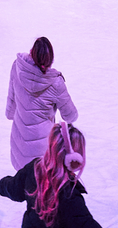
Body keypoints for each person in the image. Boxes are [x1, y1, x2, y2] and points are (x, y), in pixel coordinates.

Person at [0, 123, 103, 228]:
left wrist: (2, 184)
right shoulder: (70, 195)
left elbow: (14, 189)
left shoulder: (34, 168)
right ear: (73, 158)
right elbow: (85, 224)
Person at [5, 37, 80, 170]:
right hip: (43, 151)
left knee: (23, 180)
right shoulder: (56, 83)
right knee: (40, 183)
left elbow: (12, 100)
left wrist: (11, 114)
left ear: (31, 52)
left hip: (20, 140)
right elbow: (71, 116)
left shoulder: (17, 67)